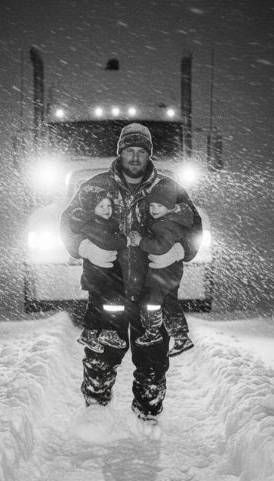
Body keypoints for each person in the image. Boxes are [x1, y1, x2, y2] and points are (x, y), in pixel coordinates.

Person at [60, 123, 203, 426]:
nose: (135, 157)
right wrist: (85, 248)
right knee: (101, 357)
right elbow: (68, 225)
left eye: (141, 151)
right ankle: (95, 417)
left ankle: (147, 419)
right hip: (108, 288)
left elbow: (194, 228)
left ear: (149, 154)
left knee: (152, 361)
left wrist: (179, 251)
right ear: (120, 152)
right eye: (129, 150)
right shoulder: (94, 187)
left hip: (154, 290)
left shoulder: (170, 189)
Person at [128, 179, 195, 356]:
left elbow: (160, 247)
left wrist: (140, 241)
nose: (154, 209)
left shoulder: (166, 224)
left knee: (152, 302)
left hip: (164, 270)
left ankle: (153, 332)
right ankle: (180, 336)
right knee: (168, 302)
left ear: (170, 208)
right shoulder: (168, 220)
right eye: (151, 205)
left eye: (159, 205)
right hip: (169, 270)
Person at [68, 193, 128, 354]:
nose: (106, 209)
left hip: (109, 274)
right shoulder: (93, 225)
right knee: (97, 305)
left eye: (109, 206)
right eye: (101, 206)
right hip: (97, 275)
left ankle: (108, 332)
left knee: (112, 305)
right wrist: (126, 240)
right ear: (93, 209)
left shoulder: (109, 223)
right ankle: (89, 333)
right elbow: (108, 242)